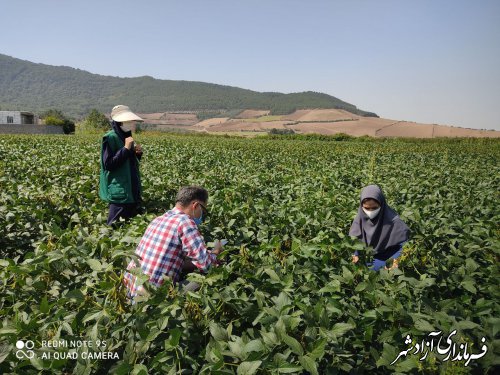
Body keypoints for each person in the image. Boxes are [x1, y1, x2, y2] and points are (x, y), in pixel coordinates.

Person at [123, 186, 223, 299]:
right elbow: (207, 265)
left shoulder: (158, 219)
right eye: (203, 211)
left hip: (129, 289)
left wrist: (196, 262)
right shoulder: (185, 222)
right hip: (151, 296)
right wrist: (217, 251)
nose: (202, 216)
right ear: (195, 206)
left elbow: (167, 259)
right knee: (203, 279)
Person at [99, 105, 144, 225]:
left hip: (131, 188)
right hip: (119, 190)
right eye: (128, 121)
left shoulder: (127, 137)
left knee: (130, 224)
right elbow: (108, 164)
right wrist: (125, 148)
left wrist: (137, 154)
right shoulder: (110, 138)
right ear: (120, 122)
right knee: (114, 225)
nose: (131, 123)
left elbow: (128, 162)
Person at [349, 184, 410, 271]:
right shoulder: (359, 219)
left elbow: (403, 245)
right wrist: (355, 254)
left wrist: (396, 260)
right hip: (366, 259)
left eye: (374, 208)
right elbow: (354, 241)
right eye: (367, 208)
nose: (370, 211)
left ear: (382, 204)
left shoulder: (393, 221)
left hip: (386, 260)